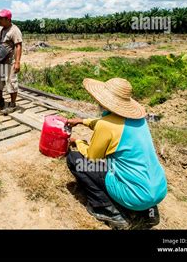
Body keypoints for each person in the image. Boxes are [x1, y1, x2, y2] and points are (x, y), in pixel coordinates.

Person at [66, 77, 167, 229]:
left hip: (134, 197)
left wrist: (77, 141)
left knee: (76, 160)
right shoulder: (139, 120)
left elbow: (92, 157)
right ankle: (150, 214)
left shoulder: (106, 125)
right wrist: (82, 121)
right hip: (158, 190)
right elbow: (107, 124)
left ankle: (107, 210)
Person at [0, 9, 22, 114]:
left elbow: (18, 46)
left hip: (9, 61)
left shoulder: (15, 30)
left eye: (1, 18)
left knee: (11, 82)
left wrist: (17, 62)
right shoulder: (0, 29)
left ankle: (12, 104)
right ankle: (1, 101)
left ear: (8, 19)